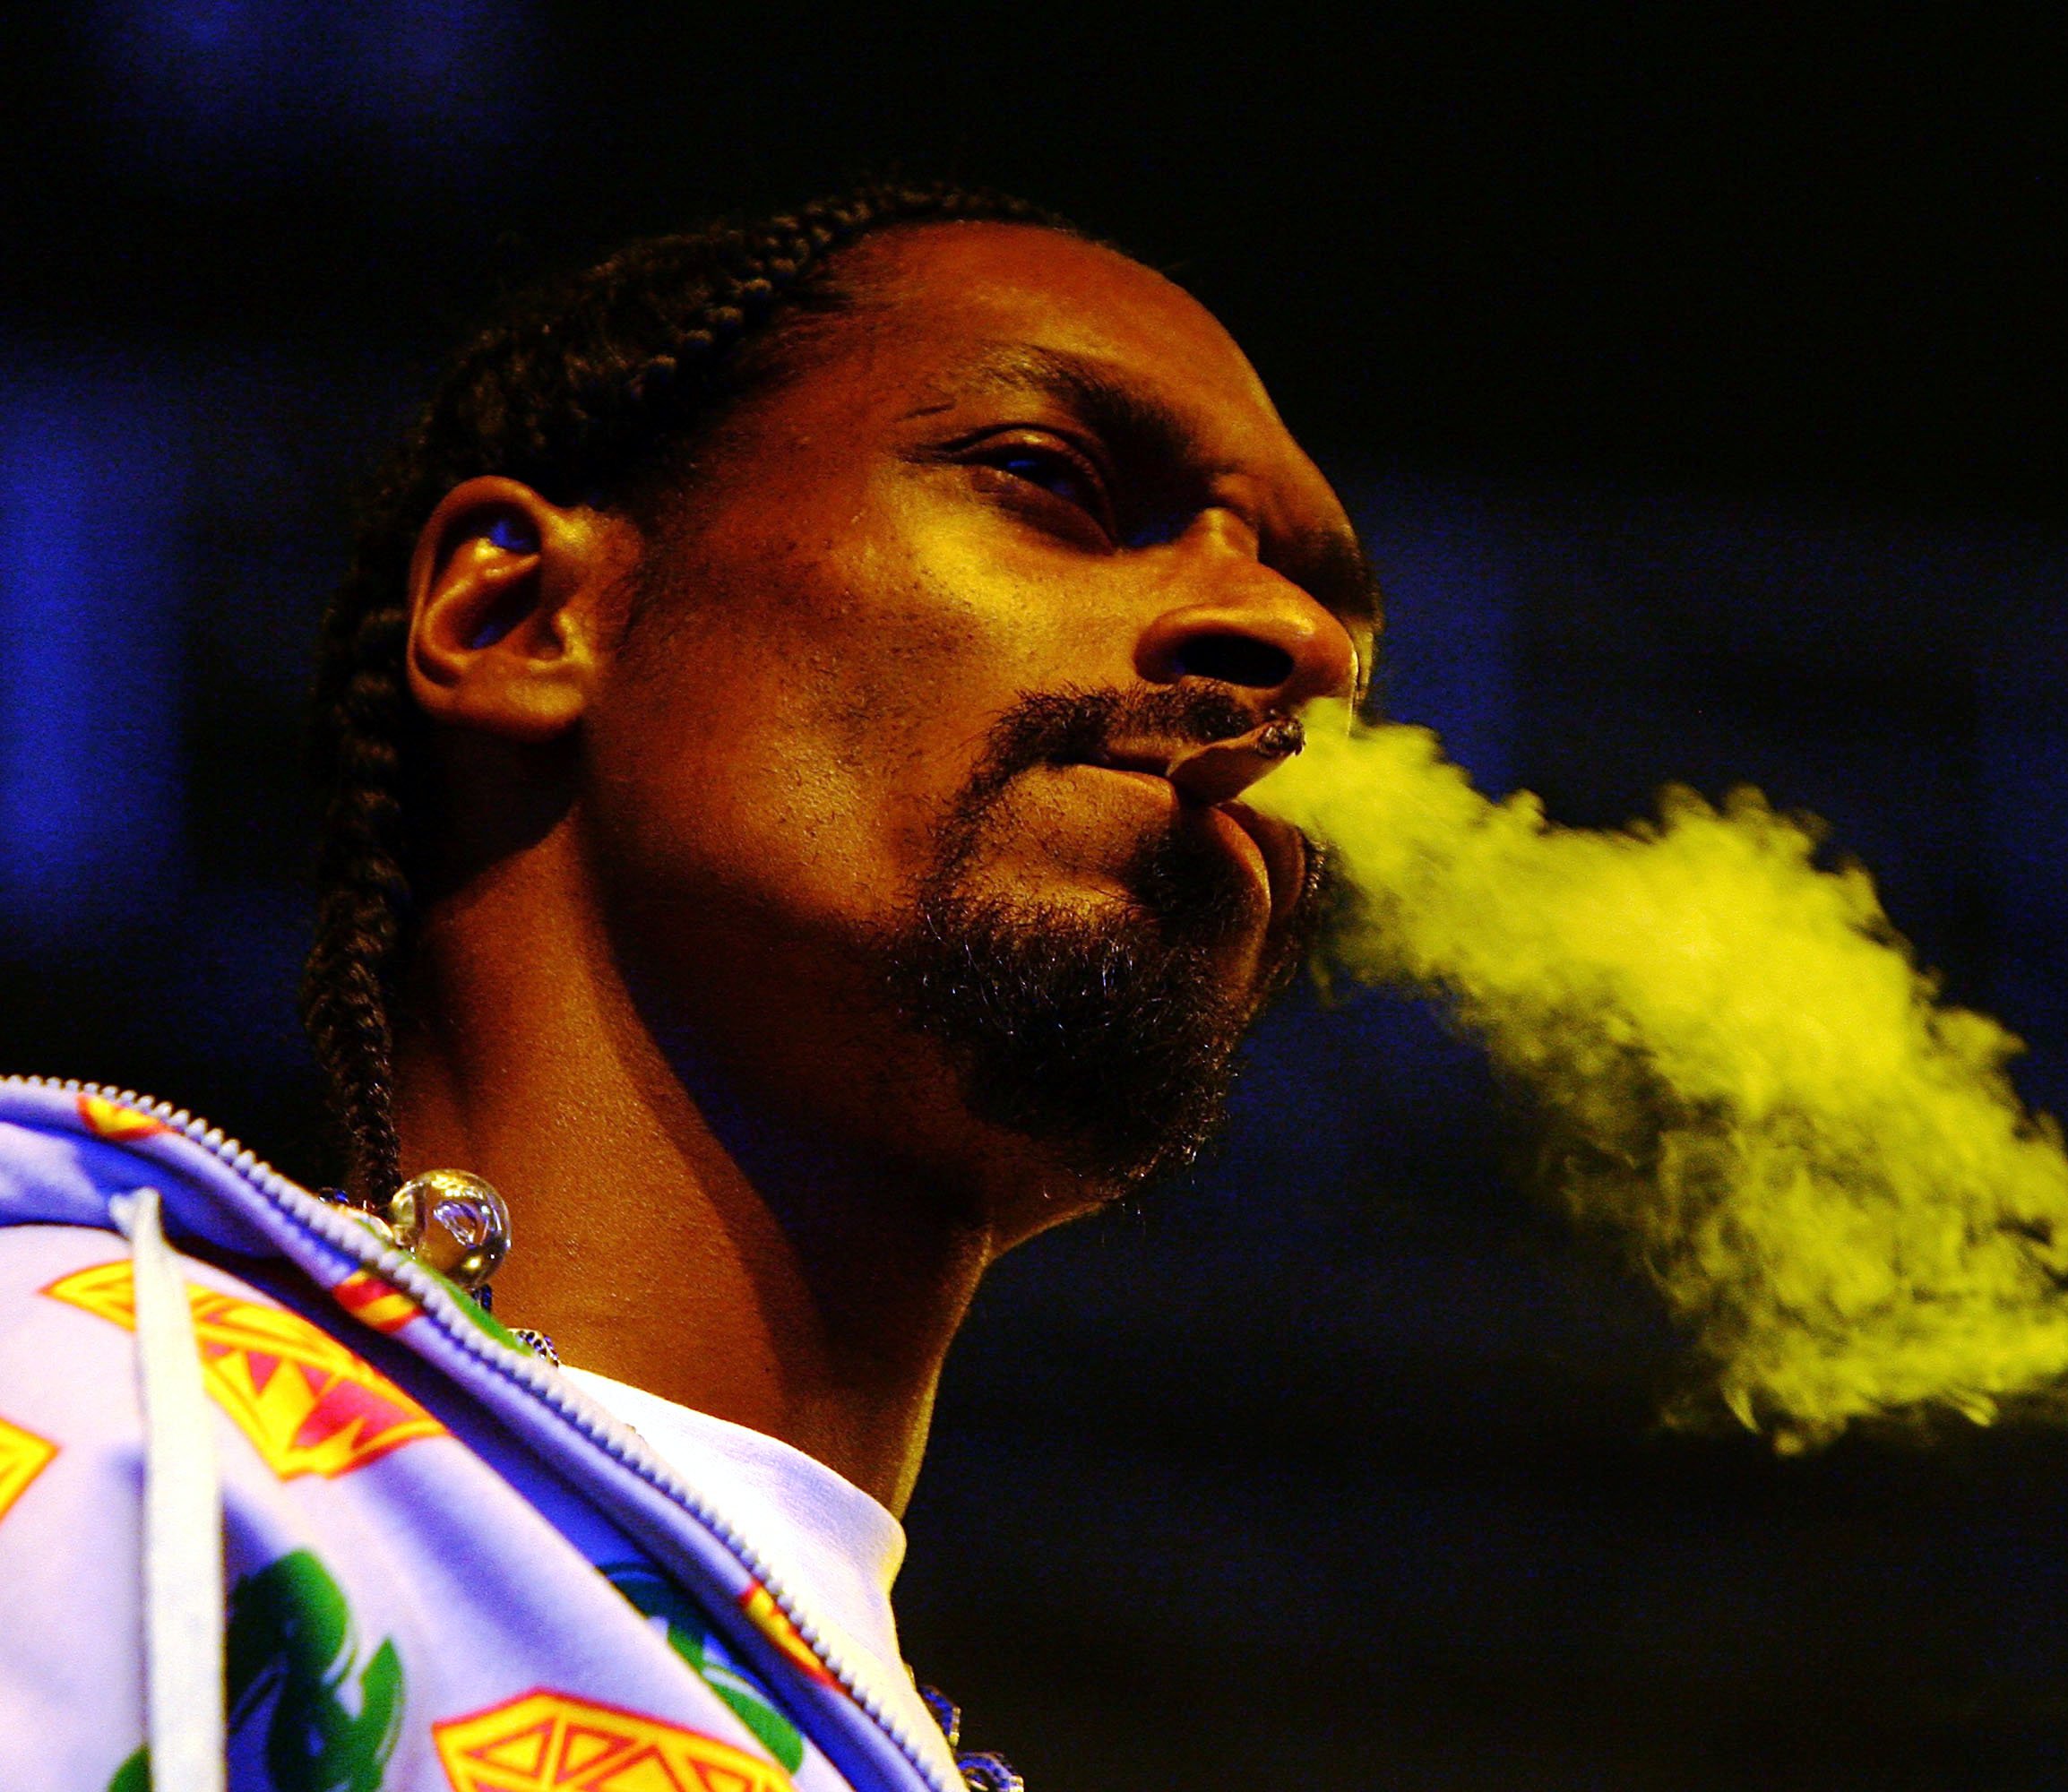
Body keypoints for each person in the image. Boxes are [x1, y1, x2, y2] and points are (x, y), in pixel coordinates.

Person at [0, 177, 1377, 1792]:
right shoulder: (80, 1417)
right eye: (1050, 481)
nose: (1288, 639)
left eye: (1339, 619)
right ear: (518, 614)